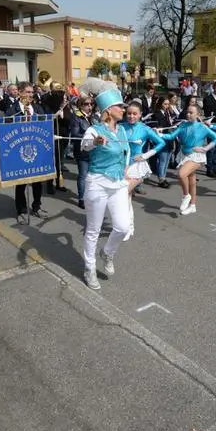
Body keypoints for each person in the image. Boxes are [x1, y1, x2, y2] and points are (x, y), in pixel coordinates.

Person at [80, 88, 131, 290]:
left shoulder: (123, 130)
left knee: (123, 227)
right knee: (93, 230)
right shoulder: (94, 130)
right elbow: (84, 146)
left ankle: (107, 252)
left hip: (118, 183)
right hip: (97, 183)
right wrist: (95, 141)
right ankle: (89, 269)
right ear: (109, 110)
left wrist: (126, 168)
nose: (123, 110)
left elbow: (126, 151)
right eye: (120, 107)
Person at [159, 104, 216, 216]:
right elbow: (171, 137)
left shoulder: (202, 127)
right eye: (187, 112)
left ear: (198, 114)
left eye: (191, 113)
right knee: (192, 180)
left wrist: (205, 148)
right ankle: (193, 205)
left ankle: (186, 195)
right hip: (184, 154)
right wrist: (160, 134)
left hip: (196, 156)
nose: (188, 114)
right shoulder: (183, 125)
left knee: (182, 174)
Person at [120, 103, 165, 241]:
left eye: (134, 114)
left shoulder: (145, 129)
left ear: (140, 115)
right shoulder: (121, 126)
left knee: (123, 194)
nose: (131, 116)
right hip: (121, 164)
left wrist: (145, 155)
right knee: (126, 197)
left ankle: (127, 226)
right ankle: (127, 226)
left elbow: (161, 143)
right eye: (129, 113)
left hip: (137, 165)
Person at [5, 82, 48, 219]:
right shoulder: (13, 109)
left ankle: (37, 206)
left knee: (37, 181)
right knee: (21, 183)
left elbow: (44, 125)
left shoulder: (37, 108)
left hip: (36, 149)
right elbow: (6, 129)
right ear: (20, 93)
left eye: (31, 92)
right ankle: (21, 210)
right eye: (27, 92)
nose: (30, 95)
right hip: (19, 150)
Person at [70, 96, 96, 208]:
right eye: (86, 104)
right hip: (82, 151)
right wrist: (90, 137)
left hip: (94, 150)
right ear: (80, 105)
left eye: (91, 104)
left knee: (93, 175)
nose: (89, 106)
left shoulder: (94, 117)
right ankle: (81, 198)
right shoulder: (76, 117)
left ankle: (91, 195)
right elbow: (75, 134)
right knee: (83, 175)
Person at [151, 96, 175, 188]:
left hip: (169, 138)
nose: (167, 106)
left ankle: (164, 177)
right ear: (160, 104)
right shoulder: (156, 114)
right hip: (161, 138)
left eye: (168, 104)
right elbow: (155, 126)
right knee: (162, 159)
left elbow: (169, 124)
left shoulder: (167, 113)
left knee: (168, 158)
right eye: (165, 104)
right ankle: (161, 178)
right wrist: (159, 128)